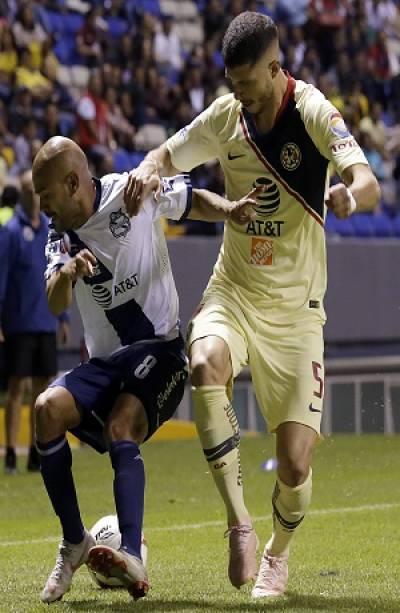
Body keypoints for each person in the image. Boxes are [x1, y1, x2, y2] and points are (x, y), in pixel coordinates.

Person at [123, 11, 380, 599]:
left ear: (274, 66)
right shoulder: (225, 116)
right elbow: (167, 154)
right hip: (234, 291)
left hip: (296, 314)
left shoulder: (313, 110)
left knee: (294, 465)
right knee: (205, 360)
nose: (238, 94)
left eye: (247, 83)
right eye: (231, 83)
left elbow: (365, 178)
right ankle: (239, 520)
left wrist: (349, 196)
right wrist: (146, 170)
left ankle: (277, 553)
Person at [32, 136, 259, 603]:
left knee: (121, 424)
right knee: (46, 410)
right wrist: (70, 272)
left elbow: (193, 200)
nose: (44, 208)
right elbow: (54, 298)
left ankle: (131, 552)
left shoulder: (131, 190)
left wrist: (232, 208)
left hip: (161, 351)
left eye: (48, 197)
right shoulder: (59, 235)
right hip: (104, 364)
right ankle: (76, 542)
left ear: (74, 183)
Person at [0, 170, 69, 474]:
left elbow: (59, 274)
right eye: (29, 192)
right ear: (23, 194)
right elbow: (0, 279)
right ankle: (12, 451)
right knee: (18, 387)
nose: (34, 197)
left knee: (43, 391)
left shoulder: (50, 233)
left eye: (38, 192)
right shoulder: (11, 232)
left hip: (46, 321)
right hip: (19, 322)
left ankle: (37, 454)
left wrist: (63, 317)